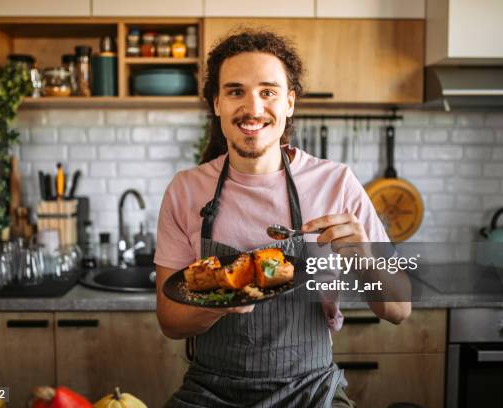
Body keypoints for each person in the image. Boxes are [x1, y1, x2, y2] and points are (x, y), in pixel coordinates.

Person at [154, 29, 412, 408]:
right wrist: (224, 298)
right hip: (210, 392)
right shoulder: (186, 190)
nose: (253, 108)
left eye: (268, 92)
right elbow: (170, 321)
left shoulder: (336, 183)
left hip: (312, 391)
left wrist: (364, 257)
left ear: (290, 103)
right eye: (235, 91)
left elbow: (399, 310)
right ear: (216, 104)